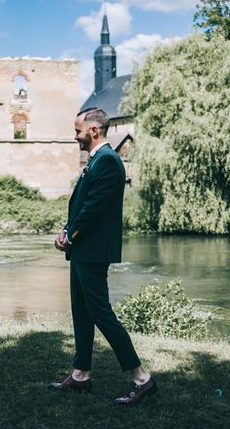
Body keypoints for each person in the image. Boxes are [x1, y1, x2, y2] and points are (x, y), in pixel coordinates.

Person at [49, 108, 157, 405]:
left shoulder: (108, 160)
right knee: (82, 312)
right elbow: (83, 204)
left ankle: (142, 378)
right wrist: (66, 230)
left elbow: (95, 208)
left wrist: (71, 235)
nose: (75, 136)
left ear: (93, 130)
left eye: (78, 130)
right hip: (83, 249)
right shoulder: (98, 160)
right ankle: (81, 375)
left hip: (93, 251)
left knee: (100, 313)